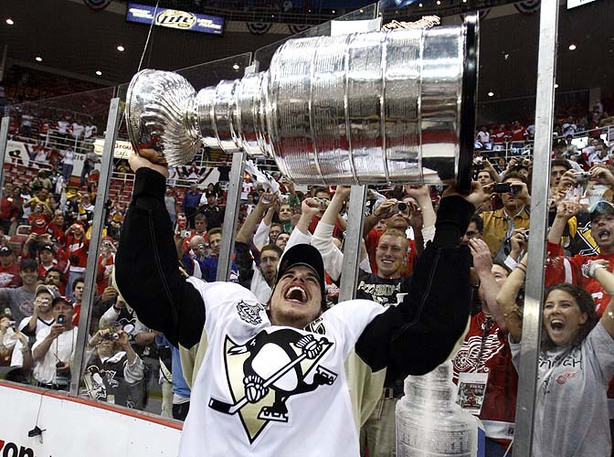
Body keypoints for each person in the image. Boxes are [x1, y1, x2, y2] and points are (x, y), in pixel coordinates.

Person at [114, 152, 479, 457]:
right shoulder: (225, 316)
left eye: (311, 279)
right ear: (269, 297)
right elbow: (147, 283)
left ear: (322, 307)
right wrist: (150, 183)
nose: (299, 279)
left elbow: (432, 325)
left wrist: (451, 217)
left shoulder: (347, 339)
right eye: (289, 275)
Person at [497, 256, 614, 457]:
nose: (555, 311)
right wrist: (530, 257)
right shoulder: (531, 352)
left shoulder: (594, 349)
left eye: (565, 305)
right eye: (549, 306)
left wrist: (593, 269)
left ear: (583, 316)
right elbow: (503, 300)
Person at [85, 326, 145, 408]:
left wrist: (126, 345)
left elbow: (136, 373)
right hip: (87, 408)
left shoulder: (122, 359)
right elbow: (73, 365)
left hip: (117, 410)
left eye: (109, 339)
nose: (106, 342)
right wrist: (91, 343)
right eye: (102, 339)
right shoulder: (87, 359)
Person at [31, 295, 78, 390]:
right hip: (41, 385)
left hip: (67, 388)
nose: (61, 311)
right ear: (52, 313)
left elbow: (86, 360)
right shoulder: (44, 332)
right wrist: (50, 336)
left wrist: (71, 366)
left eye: (65, 308)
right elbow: (36, 356)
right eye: (57, 308)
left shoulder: (81, 334)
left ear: (73, 312)